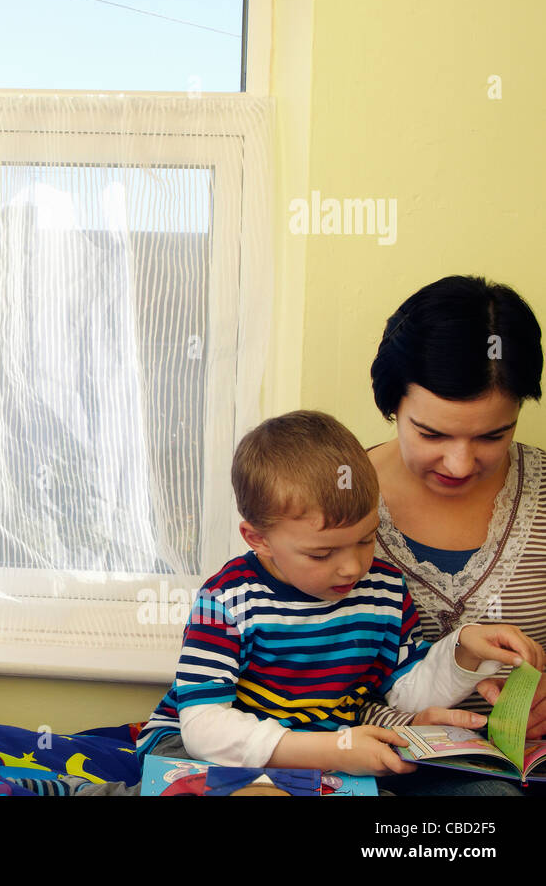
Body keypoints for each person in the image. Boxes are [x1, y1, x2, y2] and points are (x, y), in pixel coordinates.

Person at [136, 410, 543, 780]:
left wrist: (464, 652)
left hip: (327, 746)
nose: (352, 567)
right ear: (258, 539)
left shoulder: (383, 589)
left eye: (366, 540)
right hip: (200, 748)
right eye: (322, 553)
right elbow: (204, 728)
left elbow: (403, 690)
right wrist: (331, 749)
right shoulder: (225, 600)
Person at [360, 275, 546, 794]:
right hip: (370, 768)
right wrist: (397, 728)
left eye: (493, 435)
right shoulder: (324, 502)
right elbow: (277, 668)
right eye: (432, 433)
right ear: (391, 402)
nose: (461, 464)